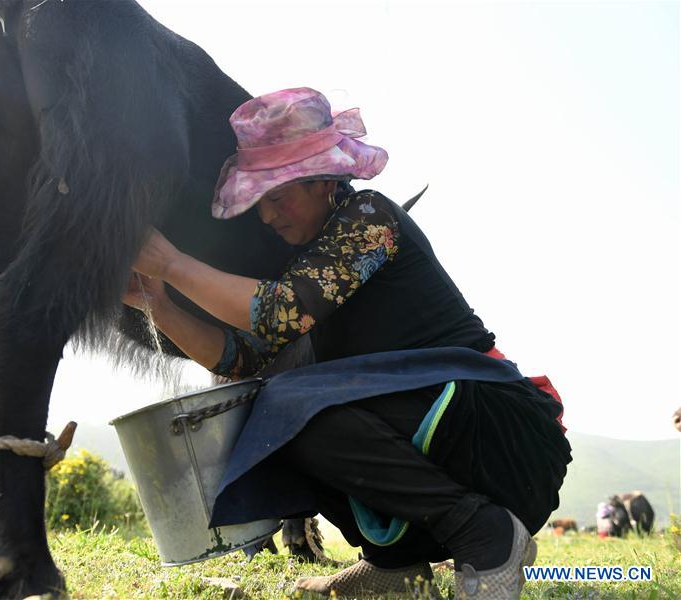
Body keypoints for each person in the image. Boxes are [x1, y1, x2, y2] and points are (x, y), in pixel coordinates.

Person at [123, 87, 571, 599]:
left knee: (290, 410)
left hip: (496, 432)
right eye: (259, 203)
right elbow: (241, 356)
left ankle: (486, 533)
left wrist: (171, 264)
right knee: (263, 408)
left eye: (278, 196)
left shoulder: (369, 219)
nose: (267, 216)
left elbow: (278, 310)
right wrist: (157, 303)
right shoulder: (314, 264)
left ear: (324, 180)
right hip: (442, 423)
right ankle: (398, 561)